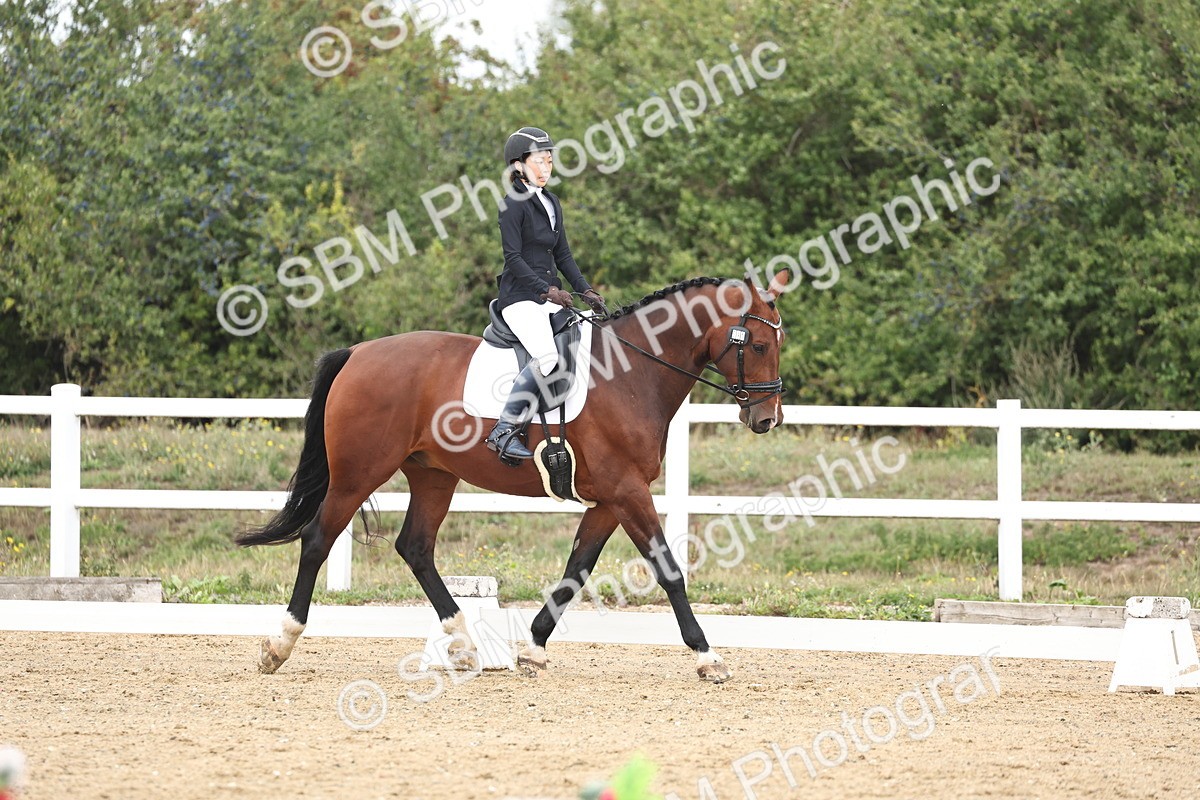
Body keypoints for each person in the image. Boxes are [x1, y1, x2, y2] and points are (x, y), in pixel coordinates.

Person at [485, 126, 607, 464]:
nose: (546, 168)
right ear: (518, 165)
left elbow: (563, 255)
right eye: (538, 162)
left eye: (549, 162)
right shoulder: (512, 204)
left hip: (548, 298)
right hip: (520, 298)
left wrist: (585, 289)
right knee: (548, 357)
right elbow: (513, 257)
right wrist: (547, 290)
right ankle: (503, 429)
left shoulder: (551, 202)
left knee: (590, 338)